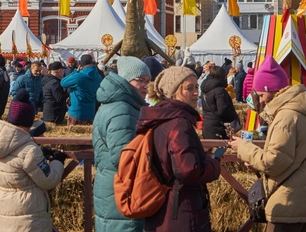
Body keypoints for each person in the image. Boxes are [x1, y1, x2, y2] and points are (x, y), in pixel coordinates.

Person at [229, 56, 306, 232]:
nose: (262, 100)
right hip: (305, 199)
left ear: (271, 90)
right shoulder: (299, 111)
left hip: (289, 202)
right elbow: (290, 158)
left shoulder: (286, 116)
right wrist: (257, 165)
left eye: (261, 95)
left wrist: (244, 148)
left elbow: (274, 161)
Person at [136, 66, 221, 231]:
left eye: (196, 87)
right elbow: (187, 170)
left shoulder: (161, 117)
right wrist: (213, 165)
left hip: (163, 208)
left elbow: (171, 159)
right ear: (173, 92)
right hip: (181, 209)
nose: (196, 92)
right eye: (189, 88)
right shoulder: (179, 123)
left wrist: (199, 156)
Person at [0, 89, 65, 232]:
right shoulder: (29, 150)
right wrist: (58, 161)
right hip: (29, 213)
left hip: (7, 208)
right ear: (30, 121)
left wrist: (40, 154)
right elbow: (49, 180)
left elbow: (17, 163)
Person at [93, 56, 150, 232]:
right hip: (123, 192)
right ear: (126, 79)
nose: (146, 86)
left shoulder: (119, 105)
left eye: (148, 81)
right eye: (140, 80)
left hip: (113, 189)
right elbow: (125, 158)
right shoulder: (122, 110)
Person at [61, 54, 102, 125]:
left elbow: (63, 83)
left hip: (76, 112)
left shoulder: (79, 76)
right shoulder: (98, 77)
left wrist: (75, 71)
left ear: (81, 65)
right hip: (91, 111)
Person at [200, 66, 240, 139]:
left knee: (211, 149)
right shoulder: (219, 91)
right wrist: (234, 117)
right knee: (220, 149)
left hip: (207, 126)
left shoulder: (204, 90)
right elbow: (223, 110)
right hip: (218, 127)